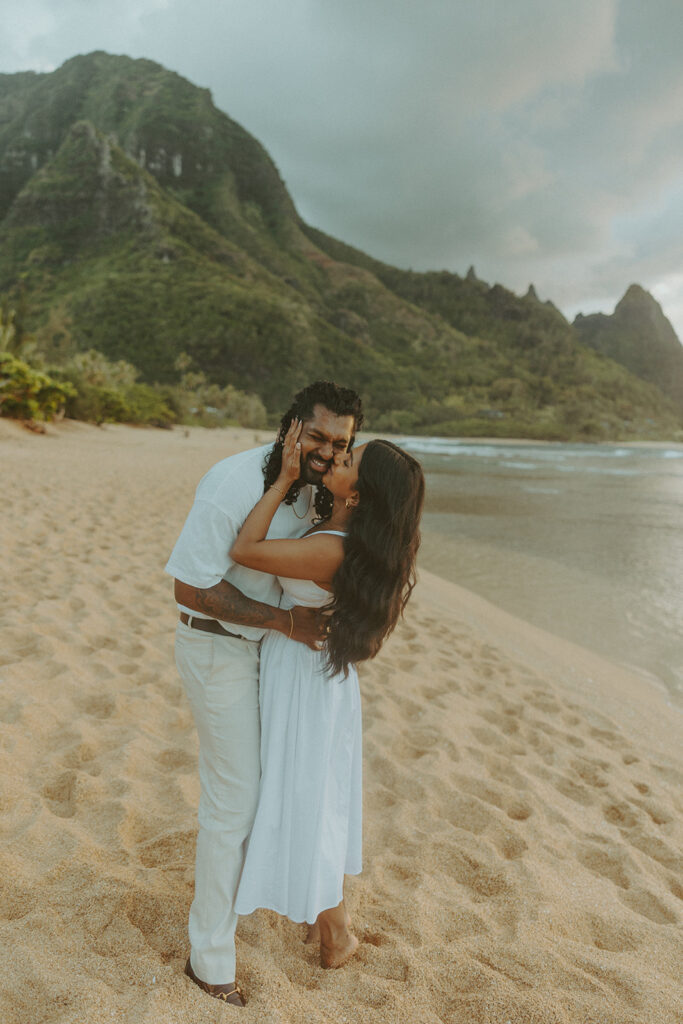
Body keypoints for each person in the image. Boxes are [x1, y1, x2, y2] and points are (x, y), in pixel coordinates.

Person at [165, 381, 363, 1007]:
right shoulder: (232, 482)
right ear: (291, 426)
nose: (327, 453)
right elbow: (190, 589)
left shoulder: (317, 495)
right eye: (318, 436)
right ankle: (209, 960)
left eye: (342, 444)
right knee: (235, 800)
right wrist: (284, 623)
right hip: (217, 645)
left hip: (273, 661)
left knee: (282, 786)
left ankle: (321, 915)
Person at [230, 419, 425, 971]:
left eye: (348, 461)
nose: (336, 459)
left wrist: (281, 479)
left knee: (308, 801)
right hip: (310, 674)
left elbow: (244, 548)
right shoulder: (338, 536)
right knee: (307, 796)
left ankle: (337, 934)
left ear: (358, 493)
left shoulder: (331, 551)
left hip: (304, 680)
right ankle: (320, 914)